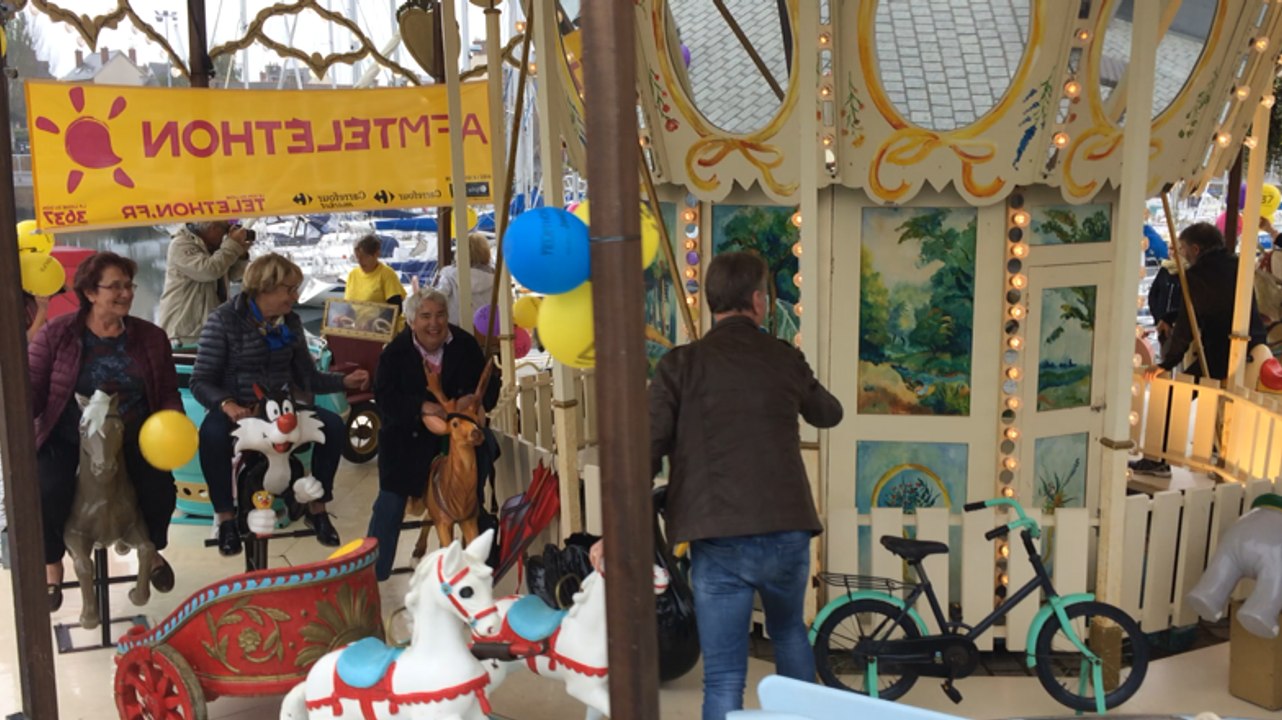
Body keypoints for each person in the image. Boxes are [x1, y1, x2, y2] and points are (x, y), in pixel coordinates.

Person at [593, 251, 843, 720]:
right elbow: (829, 413)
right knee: (789, 634)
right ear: (757, 300)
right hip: (788, 528)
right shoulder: (784, 357)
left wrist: (617, 527)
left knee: (725, 675)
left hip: (718, 535)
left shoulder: (679, 365)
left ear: (711, 302)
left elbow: (646, 449)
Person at [28, 252, 183, 610]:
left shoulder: (151, 337)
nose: (125, 293)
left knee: (161, 490)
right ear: (89, 293)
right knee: (45, 490)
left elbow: (168, 390)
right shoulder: (57, 334)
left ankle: (152, 551)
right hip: (69, 436)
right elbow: (33, 393)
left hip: (133, 435)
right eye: (115, 286)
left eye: (129, 285)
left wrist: (172, 420)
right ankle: (52, 564)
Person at [190, 253, 370, 556]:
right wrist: (227, 404)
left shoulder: (291, 322)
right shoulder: (222, 320)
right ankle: (225, 518)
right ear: (264, 288)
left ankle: (317, 507)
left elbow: (307, 377)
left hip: (282, 409)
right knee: (212, 435)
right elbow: (200, 380)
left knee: (334, 426)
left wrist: (344, 382)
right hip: (241, 411)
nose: (295, 296)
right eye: (289, 289)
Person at [366, 287, 499, 581]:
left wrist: (469, 400)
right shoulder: (395, 353)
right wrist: (421, 406)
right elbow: (385, 398)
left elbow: (490, 385)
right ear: (412, 321)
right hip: (407, 439)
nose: (434, 323)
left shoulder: (463, 344)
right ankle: (373, 574)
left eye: (440, 315)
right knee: (390, 502)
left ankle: (476, 571)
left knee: (470, 497)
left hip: (457, 437)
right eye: (425, 316)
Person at [1132, 222, 1267, 477]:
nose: (1180, 254)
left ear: (1195, 248)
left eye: (1182, 249)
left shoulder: (1198, 276)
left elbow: (1188, 325)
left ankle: (1157, 459)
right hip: (1256, 345)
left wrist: (1167, 363)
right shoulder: (1236, 264)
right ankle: (1223, 458)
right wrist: (1171, 316)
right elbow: (1214, 307)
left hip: (1223, 350)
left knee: (1173, 398)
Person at [157, 220, 253, 346]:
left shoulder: (214, 248)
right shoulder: (181, 244)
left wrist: (240, 254)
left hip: (211, 328)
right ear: (213, 227)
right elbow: (208, 271)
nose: (226, 236)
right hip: (185, 332)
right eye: (225, 231)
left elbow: (234, 276)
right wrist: (232, 245)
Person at [434, 232, 495, 330]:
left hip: (457, 331)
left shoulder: (450, 275)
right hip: (488, 332)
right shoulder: (495, 278)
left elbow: (437, 299)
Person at [344, 233, 405, 307]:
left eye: (364, 257)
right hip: (357, 318)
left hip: (380, 318)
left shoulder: (387, 274)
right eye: (357, 257)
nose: (360, 261)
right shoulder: (352, 275)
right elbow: (348, 305)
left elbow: (396, 308)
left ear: (376, 254)